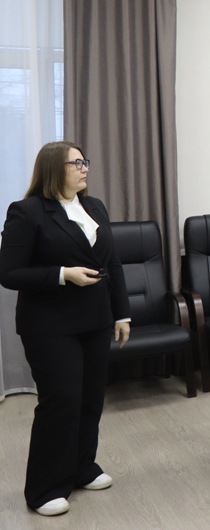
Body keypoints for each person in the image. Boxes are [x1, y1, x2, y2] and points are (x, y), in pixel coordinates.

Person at [0, 142, 130, 517]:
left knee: (90, 399)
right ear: (53, 169)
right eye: (76, 163)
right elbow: (9, 273)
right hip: (50, 326)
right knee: (61, 402)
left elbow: (113, 262)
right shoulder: (27, 211)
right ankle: (45, 488)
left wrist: (122, 314)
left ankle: (82, 468)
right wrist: (62, 274)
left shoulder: (94, 207)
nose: (85, 168)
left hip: (96, 320)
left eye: (84, 161)